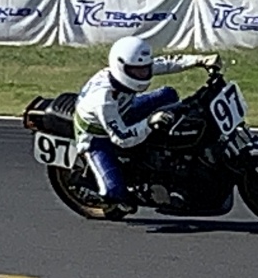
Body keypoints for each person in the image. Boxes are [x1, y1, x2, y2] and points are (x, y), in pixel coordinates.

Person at [72, 35, 221, 212]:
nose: (143, 74)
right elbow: (122, 138)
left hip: (125, 110)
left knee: (168, 94)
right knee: (115, 193)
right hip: (97, 136)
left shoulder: (131, 71)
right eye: (137, 71)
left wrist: (200, 60)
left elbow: (166, 63)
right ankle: (90, 188)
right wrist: (149, 123)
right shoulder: (103, 100)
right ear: (120, 68)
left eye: (145, 69)